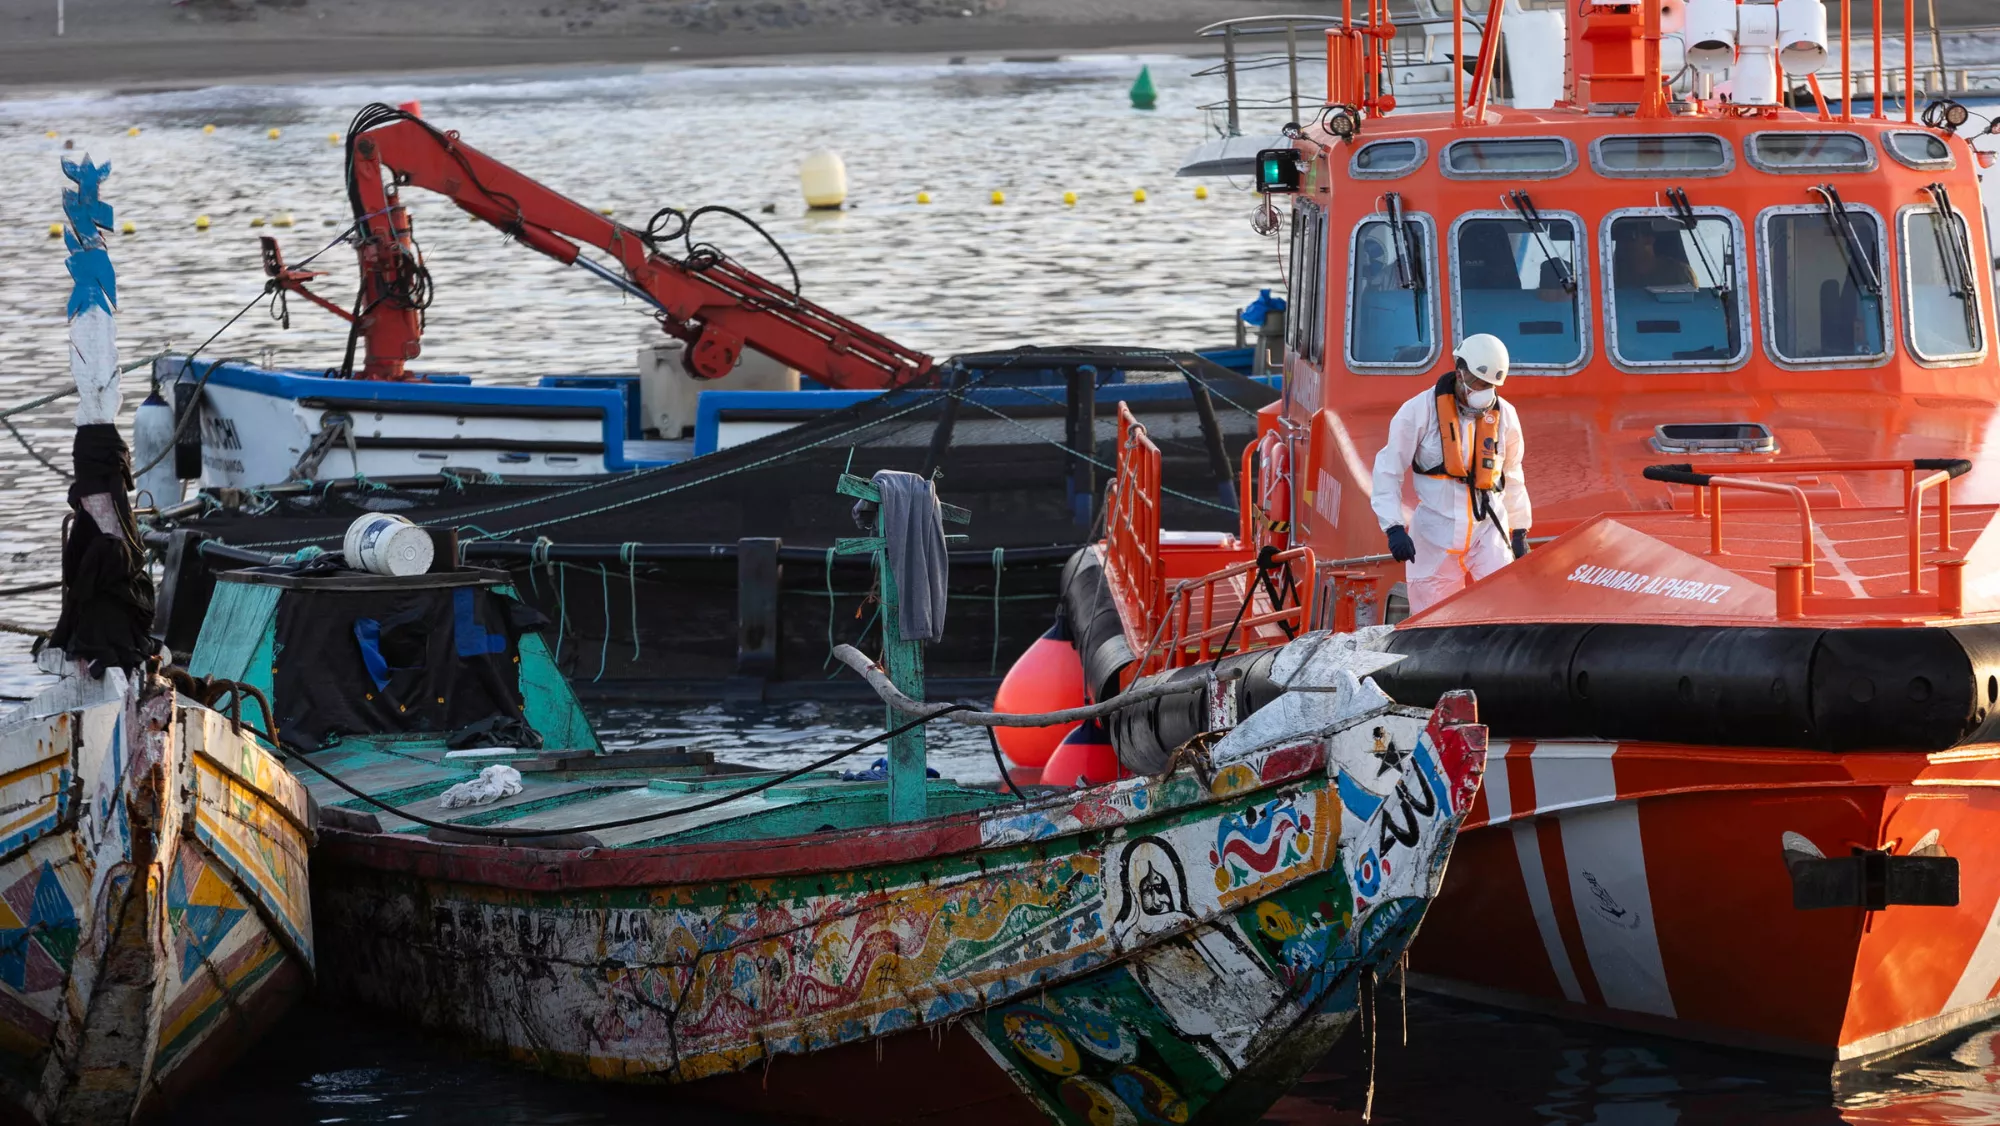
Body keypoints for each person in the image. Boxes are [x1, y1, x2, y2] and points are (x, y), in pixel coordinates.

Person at [1370, 333, 1531, 615]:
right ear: (1460, 372)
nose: (1484, 390)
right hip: (1435, 533)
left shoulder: (1505, 415)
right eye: (1479, 383)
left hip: (1487, 528)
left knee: (1508, 604)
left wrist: (1519, 531)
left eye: (1490, 385)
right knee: (1433, 615)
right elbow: (1388, 469)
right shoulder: (1418, 412)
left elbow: (1512, 473)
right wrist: (1393, 527)